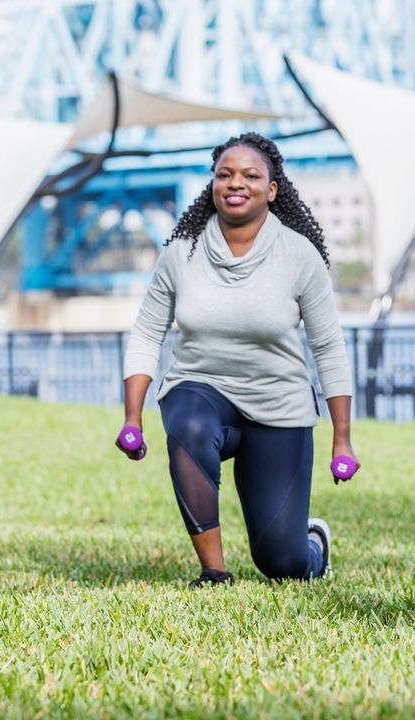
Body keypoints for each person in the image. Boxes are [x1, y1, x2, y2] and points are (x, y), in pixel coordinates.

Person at [117, 132, 356, 587]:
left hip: (278, 406)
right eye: (224, 174)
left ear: (272, 190)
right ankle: (213, 570)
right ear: (212, 184)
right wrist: (133, 417)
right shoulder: (181, 253)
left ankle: (313, 545)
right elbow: (147, 332)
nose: (235, 183)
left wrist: (341, 439)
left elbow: (328, 347)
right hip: (201, 390)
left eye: (250, 175)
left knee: (282, 565)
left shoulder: (299, 256)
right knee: (188, 426)